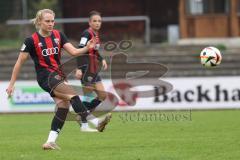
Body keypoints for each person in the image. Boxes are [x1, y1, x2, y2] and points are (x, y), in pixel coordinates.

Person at [5, 9, 110, 150]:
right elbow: (19, 63)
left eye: (52, 21)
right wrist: (11, 84)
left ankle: (50, 141)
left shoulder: (58, 35)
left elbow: (74, 51)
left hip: (58, 75)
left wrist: (87, 47)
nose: (50, 24)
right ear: (39, 22)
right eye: (47, 21)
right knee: (72, 94)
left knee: (63, 106)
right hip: (45, 76)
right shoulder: (31, 40)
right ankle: (95, 122)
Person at [75, 11, 111, 132]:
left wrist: (102, 59)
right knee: (88, 94)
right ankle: (85, 123)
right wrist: (79, 68)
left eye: (99, 21)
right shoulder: (86, 33)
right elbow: (80, 49)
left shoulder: (96, 35)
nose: (97, 23)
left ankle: (82, 116)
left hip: (94, 68)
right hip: (86, 68)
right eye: (94, 21)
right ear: (90, 22)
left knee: (102, 95)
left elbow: (95, 51)